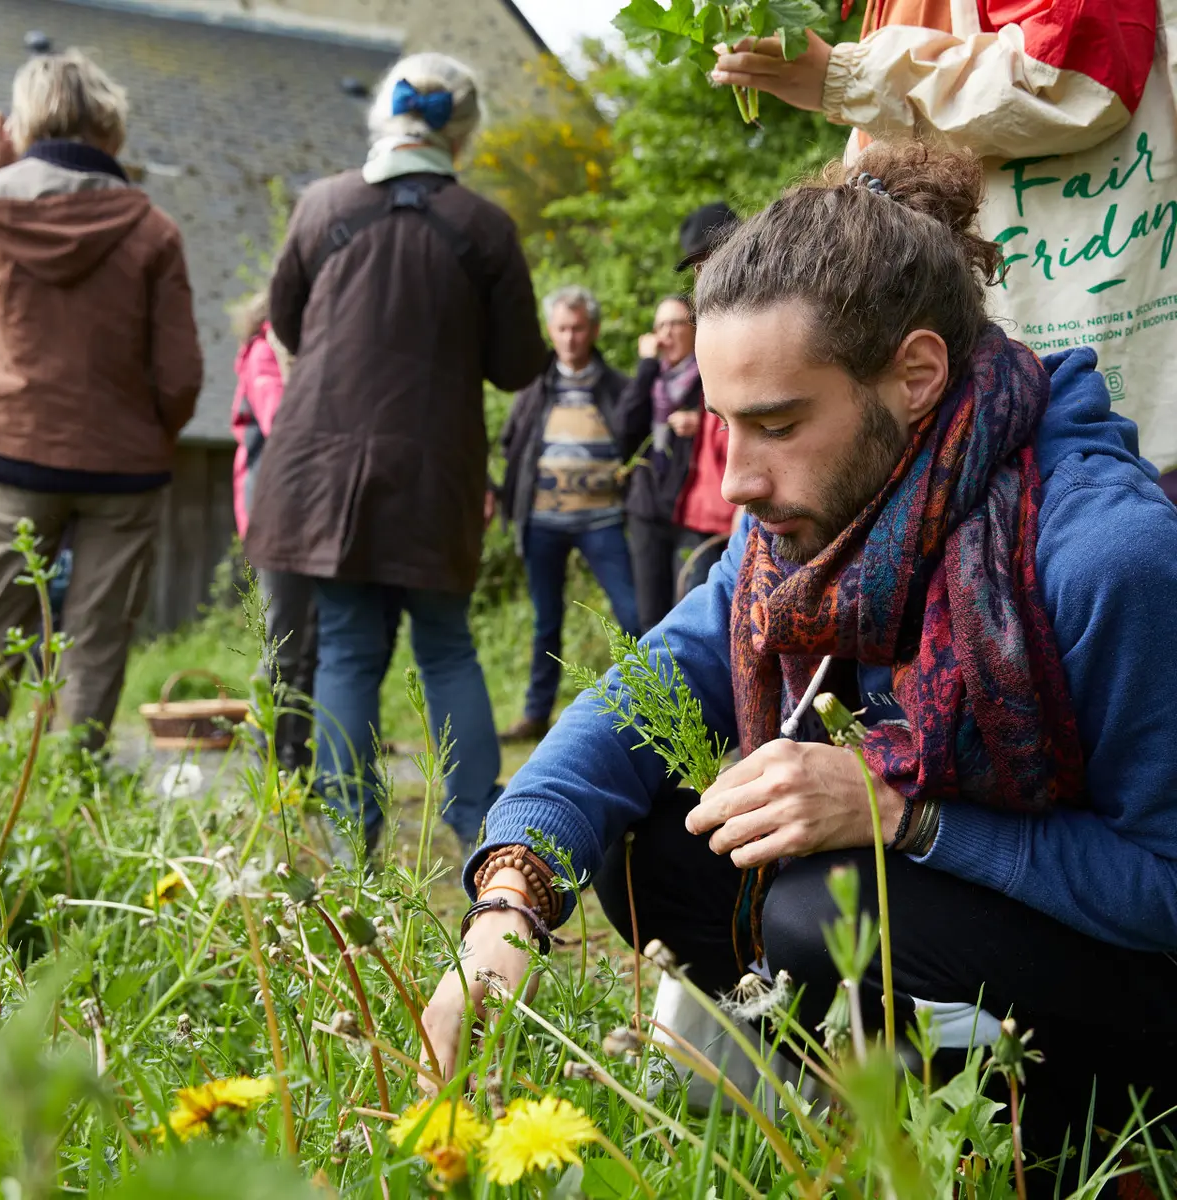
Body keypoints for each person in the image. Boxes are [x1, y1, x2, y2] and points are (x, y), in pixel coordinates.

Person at [421, 144, 1177, 1167]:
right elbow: (641, 696)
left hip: (1136, 969)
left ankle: (1077, 1138)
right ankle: (874, 1096)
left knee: (822, 907)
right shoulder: (797, 523)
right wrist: (512, 895)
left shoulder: (1105, 556)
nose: (733, 481)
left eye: (776, 424)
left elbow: (1166, 886)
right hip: (961, 898)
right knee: (661, 832)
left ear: (915, 376)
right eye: (726, 424)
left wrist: (904, 817)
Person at [246, 52, 548, 851]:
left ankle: (352, 848)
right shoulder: (486, 228)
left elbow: (284, 325)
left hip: (321, 467)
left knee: (344, 646)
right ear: (465, 133)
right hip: (432, 470)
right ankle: (485, 832)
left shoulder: (321, 207)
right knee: (447, 644)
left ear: (383, 116)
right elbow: (518, 367)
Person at [709, 0, 1177, 490]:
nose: (734, 487)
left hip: (1081, 421)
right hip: (963, 376)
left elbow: (1076, 71)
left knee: (1084, 501)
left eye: (777, 428)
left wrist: (846, 79)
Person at [0, 50, 201, 747]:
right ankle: (77, 784)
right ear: (112, 128)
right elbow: (181, 372)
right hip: (123, 467)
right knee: (98, 642)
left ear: (20, 126)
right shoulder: (153, 229)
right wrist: (148, 437)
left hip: (13, 448)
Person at [498, 286, 640, 744]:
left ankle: (645, 703)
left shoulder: (617, 385)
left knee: (632, 613)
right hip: (542, 522)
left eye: (579, 327)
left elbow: (636, 437)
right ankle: (536, 714)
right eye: (562, 328)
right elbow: (511, 443)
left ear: (594, 330)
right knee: (546, 619)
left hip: (603, 520)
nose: (571, 337)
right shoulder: (535, 387)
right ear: (550, 332)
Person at [231, 292, 317, 770]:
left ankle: (294, 760)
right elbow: (281, 420)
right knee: (282, 643)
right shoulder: (266, 354)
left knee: (309, 646)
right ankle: (261, 757)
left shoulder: (292, 354)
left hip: (306, 520)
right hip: (276, 520)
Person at [621, 293, 733, 629]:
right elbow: (624, 431)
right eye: (660, 325)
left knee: (687, 608)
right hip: (648, 507)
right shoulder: (651, 377)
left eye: (675, 323)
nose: (666, 333)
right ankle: (653, 682)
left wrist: (704, 424)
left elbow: (728, 431)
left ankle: (687, 681)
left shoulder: (709, 377)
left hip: (692, 511)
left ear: (693, 329)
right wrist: (645, 366)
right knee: (649, 614)